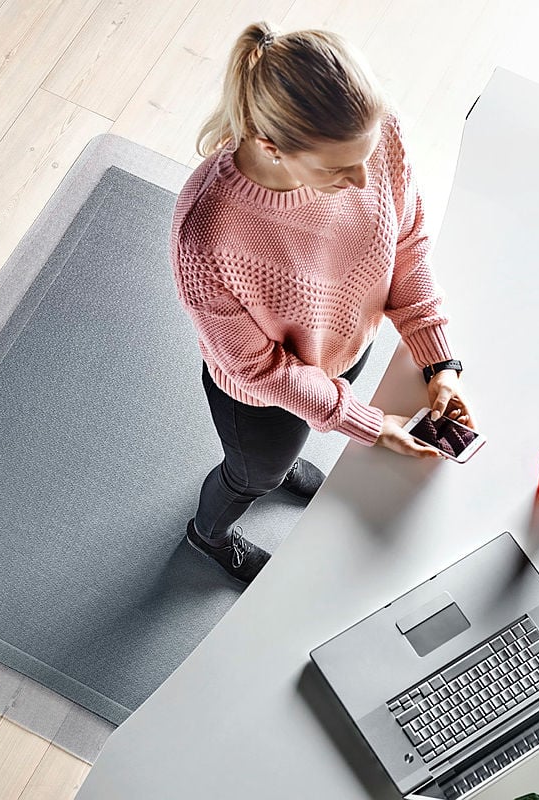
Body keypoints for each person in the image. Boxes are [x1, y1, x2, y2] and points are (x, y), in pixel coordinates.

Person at [169, 22, 475, 585]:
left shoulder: (379, 135)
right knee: (251, 475)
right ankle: (206, 536)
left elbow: (405, 244)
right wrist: (366, 421)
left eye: (366, 156)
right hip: (260, 394)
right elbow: (258, 369)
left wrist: (440, 362)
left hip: (341, 346)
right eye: (338, 169)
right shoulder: (207, 234)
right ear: (271, 148)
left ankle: (282, 464)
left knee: (290, 445)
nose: (363, 179)